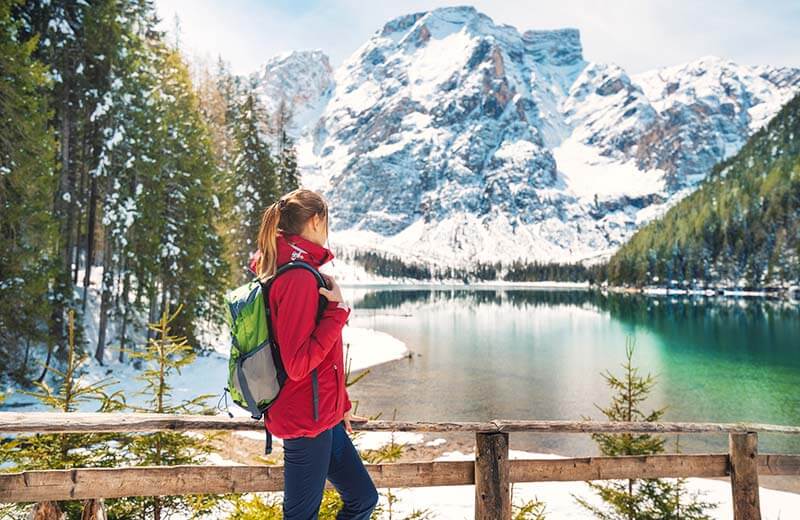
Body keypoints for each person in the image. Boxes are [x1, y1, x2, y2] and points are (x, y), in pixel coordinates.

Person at [251, 188, 378, 519]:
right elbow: (297, 363)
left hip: (323, 415)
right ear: (317, 220)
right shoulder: (296, 278)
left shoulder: (301, 271)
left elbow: (322, 359)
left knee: (363, 499)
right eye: (328, 221)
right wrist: (337, 312)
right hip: (305, 419)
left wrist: (341, 405)